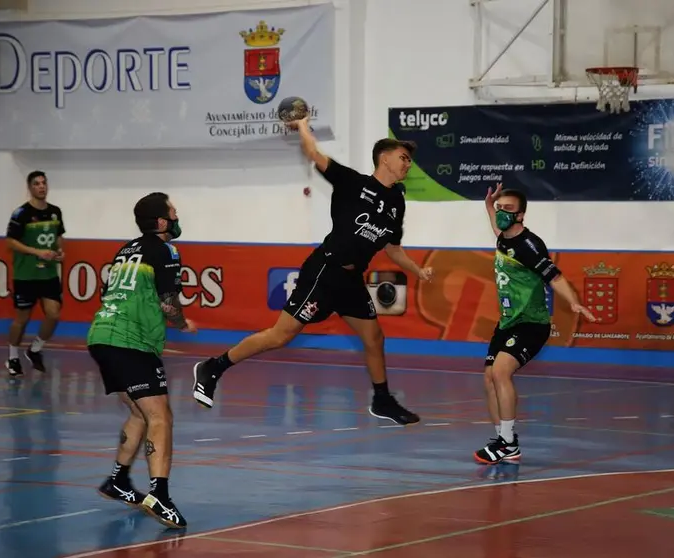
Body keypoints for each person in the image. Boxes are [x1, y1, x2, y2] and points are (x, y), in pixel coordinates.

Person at [192, 116, 433, 425]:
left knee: (374, 337)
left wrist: (417, 270)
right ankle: (213, 367)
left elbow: (393, 247)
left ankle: (382, 400)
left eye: (410, 160)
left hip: (351, 280)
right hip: (325, 271)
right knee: (280, 336)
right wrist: (303, 125)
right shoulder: (352, 183)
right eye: (403, 158)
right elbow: (314, 154)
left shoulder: (397, 201)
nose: (408, 164)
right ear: (384, 158)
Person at [87, 192, 195, 529]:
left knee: (139, 412)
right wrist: (181, 323)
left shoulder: (126, 250)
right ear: (162, 222)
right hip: (130, 341)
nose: (177, 216)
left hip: (101, 335)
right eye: (173, 211)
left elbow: (109, 292)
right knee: (161, 416)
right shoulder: (166, 251)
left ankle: (118, 480)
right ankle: (160, 495)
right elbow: (168, 301)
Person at [475, 183, 596, 465]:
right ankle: (503, 440)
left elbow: (555, 277)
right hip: (507, 322)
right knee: (489, 377)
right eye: (500, 208)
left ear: (520, 216)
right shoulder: (503, 239)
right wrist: (488, 206)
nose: (501, 213)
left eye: (508, 209)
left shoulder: (529, 246)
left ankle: (508, 443)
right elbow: (496, 226)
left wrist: (573, 302)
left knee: (501, 372)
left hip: (531, 323)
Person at [5, 171, 66, 378]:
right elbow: (10, 242)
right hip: (26, 275)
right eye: (37, 184)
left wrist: (60, 251)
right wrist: (37, 252)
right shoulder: (21, 213)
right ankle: (12, 357)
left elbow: (58, 236)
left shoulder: (55, 212)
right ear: (30, 187)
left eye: (43, 183)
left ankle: (35, 349)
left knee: (54, 314)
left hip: (48, 274)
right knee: (22, 319)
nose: (41, 187)